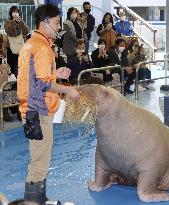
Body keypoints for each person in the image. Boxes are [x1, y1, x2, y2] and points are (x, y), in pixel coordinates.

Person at [17, 4, 80, 205]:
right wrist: (68, 90)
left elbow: (33, 76)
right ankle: (34, 201)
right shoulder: (42, 47)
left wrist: (56, 74)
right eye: (56, 23)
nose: (58, 26)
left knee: (40, 157)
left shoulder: (30, 43)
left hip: (30, 107)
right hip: (39, 109)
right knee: (39, 161)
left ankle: (40, 199)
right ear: (44, 23)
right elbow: (42, 83)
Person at [4, 6, 30, 77]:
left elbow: (27, 31)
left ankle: (20, 82)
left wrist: (21, 22)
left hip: (21, 47)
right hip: (10, 48)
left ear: (19, 13)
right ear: (11, 13)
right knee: (12, 67)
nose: (15, 13)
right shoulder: (8, 22)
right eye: (13, 12)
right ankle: (14, 82)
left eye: (16, 12)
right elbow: (11, 33)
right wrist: (13, 22)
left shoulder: (21, 21)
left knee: (20, 67)